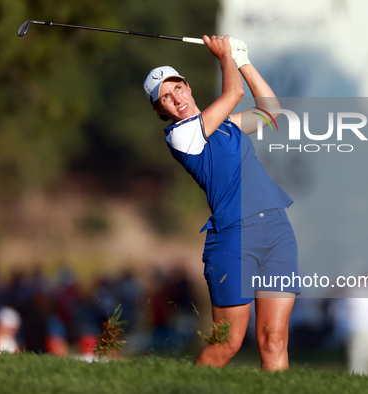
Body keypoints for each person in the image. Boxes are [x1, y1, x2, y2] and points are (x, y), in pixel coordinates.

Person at [143, 35, 299, 371]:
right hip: (233, 237)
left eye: (177, 88)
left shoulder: (228, 126)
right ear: (160, 110)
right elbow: (234, 93)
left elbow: (272, 113)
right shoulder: (180, 137)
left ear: (187, 86)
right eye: (165, 98)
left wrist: (242, 59)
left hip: (277, 231)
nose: (176, 99)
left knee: (275, 338)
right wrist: (224, 56)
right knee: (227, 341)